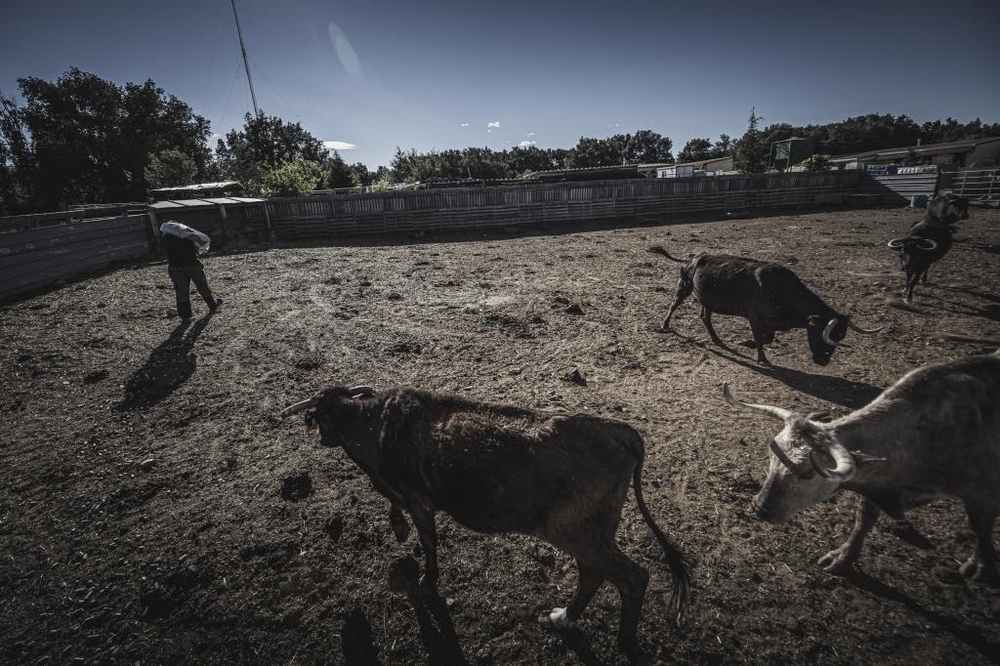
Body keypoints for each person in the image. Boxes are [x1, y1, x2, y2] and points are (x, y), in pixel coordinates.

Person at [159, 221, 222, 320]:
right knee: (202, 285)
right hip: (192, 264)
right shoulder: (186, 235)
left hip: (175, 267)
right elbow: (198, 239)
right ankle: (212, 305)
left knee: (181, 291)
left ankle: (185, 316)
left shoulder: (165, 237)